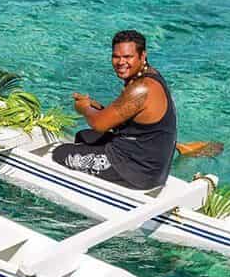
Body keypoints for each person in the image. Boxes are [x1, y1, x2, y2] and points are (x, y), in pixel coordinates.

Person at [51, 29, 177, 191]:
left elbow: (99, 124)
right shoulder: (149, 76)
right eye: (116, 57)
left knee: (59, 153)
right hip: (146, 163)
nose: (120, 62)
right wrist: (96, 107)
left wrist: (84, 108)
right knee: (83, 136)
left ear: (142, 55)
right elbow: (128, 117)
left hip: (136, 172)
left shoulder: (141, 89)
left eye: (127, 57)